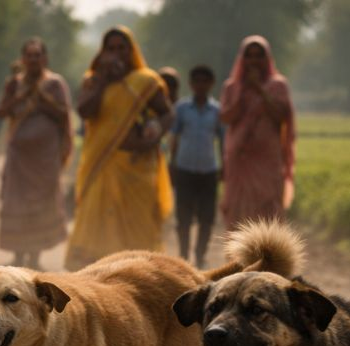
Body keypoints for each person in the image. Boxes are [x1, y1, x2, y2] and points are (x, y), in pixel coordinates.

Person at [64, 26, 173, 270]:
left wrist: (151, 138)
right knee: (96, 225)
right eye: (110, 49)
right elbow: (84, 111)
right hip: (100, 166)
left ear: (131, 51)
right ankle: (95, 276)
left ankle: (140, 274)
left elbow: (167, 114)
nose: (116, 54)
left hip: (136, 168)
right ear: (102, 53)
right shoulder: (92, 80)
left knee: (138, 229)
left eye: (121, 48)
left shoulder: (145, 81)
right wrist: (102, 79)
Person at [0, 37, 72, 269]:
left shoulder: (54, 84)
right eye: (29, 55)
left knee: (41, 203)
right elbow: (1, 111)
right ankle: (18, 257)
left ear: (44, 59)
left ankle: (35, 259)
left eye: (37, 55)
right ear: (23, 59)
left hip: (45, 158)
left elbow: (63, 114)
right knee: (16, 203)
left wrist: (41, 99)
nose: (33, 59)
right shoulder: (13, 84)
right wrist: (20, 96)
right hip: (19, 157)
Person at [219, 35, 295, 230]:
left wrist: (260, 90)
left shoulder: (278, 85)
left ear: (267, 58)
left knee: (268, 207)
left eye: (258, 56)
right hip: (240, 159)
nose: (254, 61)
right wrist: (243, 92)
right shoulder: (232, 86)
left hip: (267, 159)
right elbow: (226, 117)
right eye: (249, 56)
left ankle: (269, 256)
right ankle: (239, 258)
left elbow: (280, 116)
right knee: (238, 209)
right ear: (242, 59)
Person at [169, 65, 223, 268]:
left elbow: (223, 139)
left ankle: (200, 255)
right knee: (183, 217)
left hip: (209, 170)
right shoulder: (182, 109)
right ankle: (183, 255)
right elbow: (174, 137)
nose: (200, 86)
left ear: (211, 84)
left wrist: (224, 165)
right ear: (191, 84)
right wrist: (171, 164)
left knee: (206, 218)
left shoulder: (217, 110)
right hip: (184, 168)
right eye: (196, 81)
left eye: (204, 81)